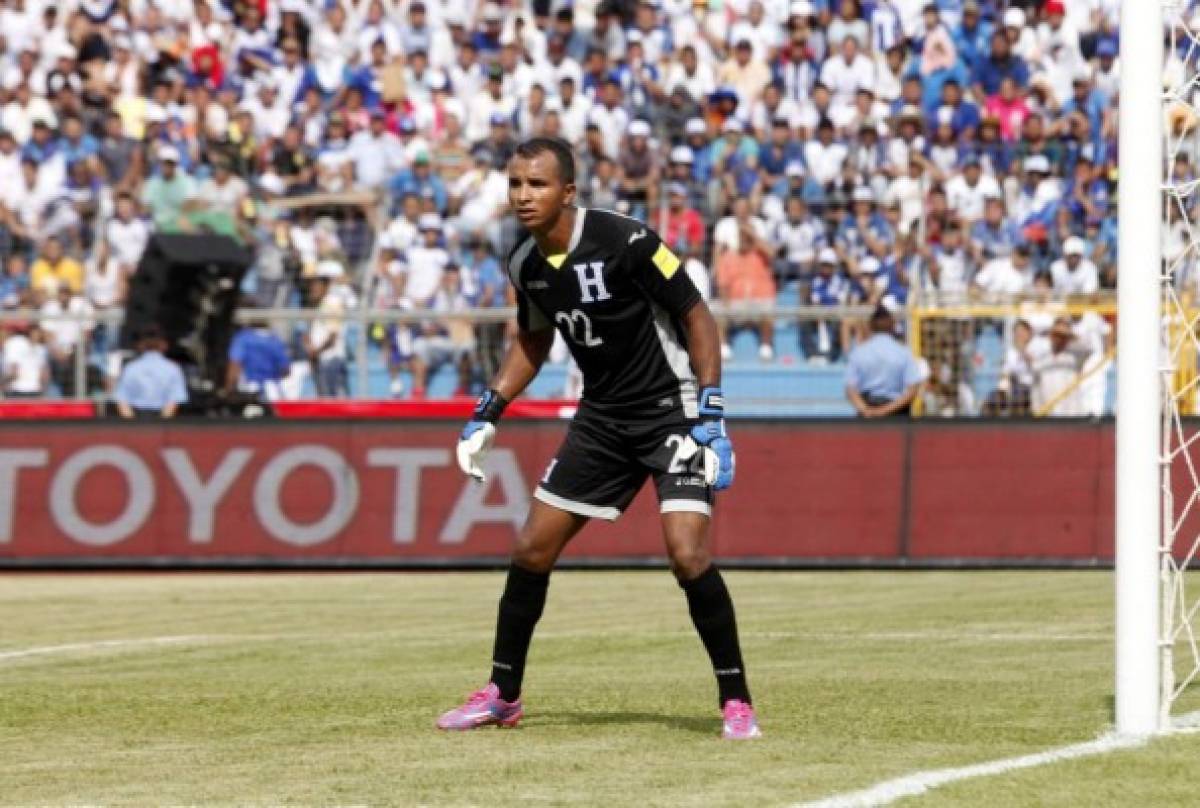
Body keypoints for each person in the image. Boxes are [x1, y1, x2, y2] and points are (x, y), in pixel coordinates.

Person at [438, 137, 758, 740]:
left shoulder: (626, 239)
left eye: (536, 184)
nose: (523, 196)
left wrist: (711, 411)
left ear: (568, 192)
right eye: (514, 184)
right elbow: (533, 341)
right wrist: (489, 409)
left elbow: (697, 315)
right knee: (531, 548)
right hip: (602, 418)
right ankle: (503, 695)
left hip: (672, 410)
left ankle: (736, 700)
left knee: (687, 554)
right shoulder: (524, 264)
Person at [844, 304, 924, 418]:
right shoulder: (903, 353)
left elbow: (850, 388)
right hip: (896, 413)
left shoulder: (858, 353)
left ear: (870, 326)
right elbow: (913, 389)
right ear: (893, 326)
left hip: (868, 411)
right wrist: (885, 410)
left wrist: (865, 410)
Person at [114, 325, 188, 418]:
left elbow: (122, 401)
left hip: (135, 419)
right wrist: (162, 424)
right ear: (164, 345)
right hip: (163, 420)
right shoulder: (173, 369)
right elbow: (173, 402)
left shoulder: (130, 368)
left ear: (140, 345)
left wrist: (132, 425)